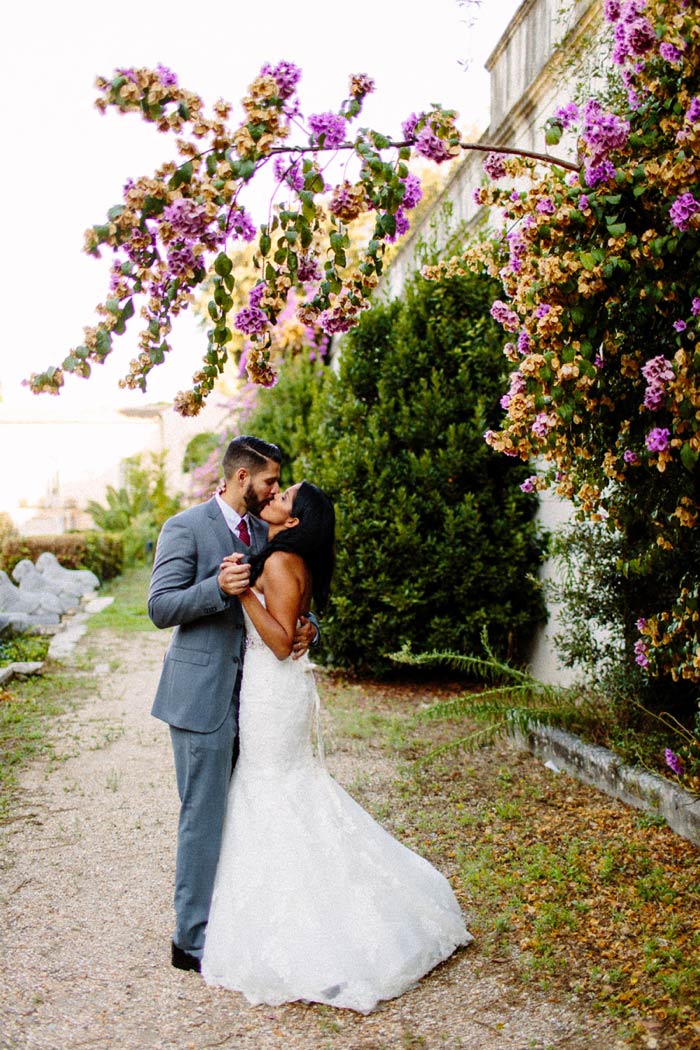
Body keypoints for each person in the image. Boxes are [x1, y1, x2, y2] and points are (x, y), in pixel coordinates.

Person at [201, 481, 472, 1013]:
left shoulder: (279, 562)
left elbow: (280, 643)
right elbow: (294, 626)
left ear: (295, 520)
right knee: (283, 786)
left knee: (274, 786)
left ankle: (308, 920)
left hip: (273, 689)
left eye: (286, 496)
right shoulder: (284, 555)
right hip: (276, 691)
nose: (276, 495)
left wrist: (243, 595)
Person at [148, 436, 317, 974]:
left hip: (261, 701)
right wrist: (217, 587)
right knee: (204, 815)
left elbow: (284, 597)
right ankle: (190, 940)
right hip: (203, 698)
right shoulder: (186, 527)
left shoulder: (265, 533)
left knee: (249, 813)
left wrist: (309, 626)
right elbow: (159, 606)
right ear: (243, 478)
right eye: (270, 480)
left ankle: (239, 918)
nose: (275, 490)